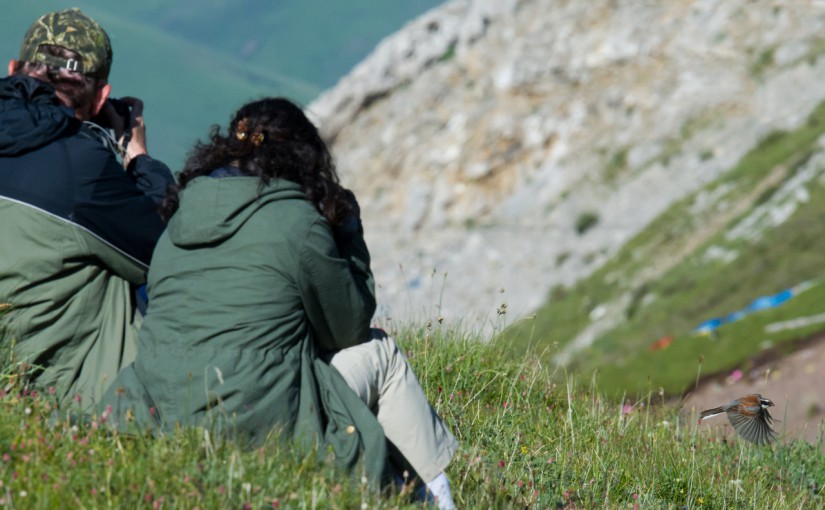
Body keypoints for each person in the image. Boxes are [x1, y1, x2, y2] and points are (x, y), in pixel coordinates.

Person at [103, 98, 459, 508]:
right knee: (381, 353)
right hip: (261, 425)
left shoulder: (177, 221)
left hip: (165, 417)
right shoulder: (298, 223)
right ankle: (439, 499)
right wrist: (349, 232)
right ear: (304, 157)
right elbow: (348, 329)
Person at [0, 9, 174, 409]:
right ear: (100, 98)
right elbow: (167, 252)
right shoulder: (82, 166)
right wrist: (140, 160)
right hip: (56, 396)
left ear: (13, 69)